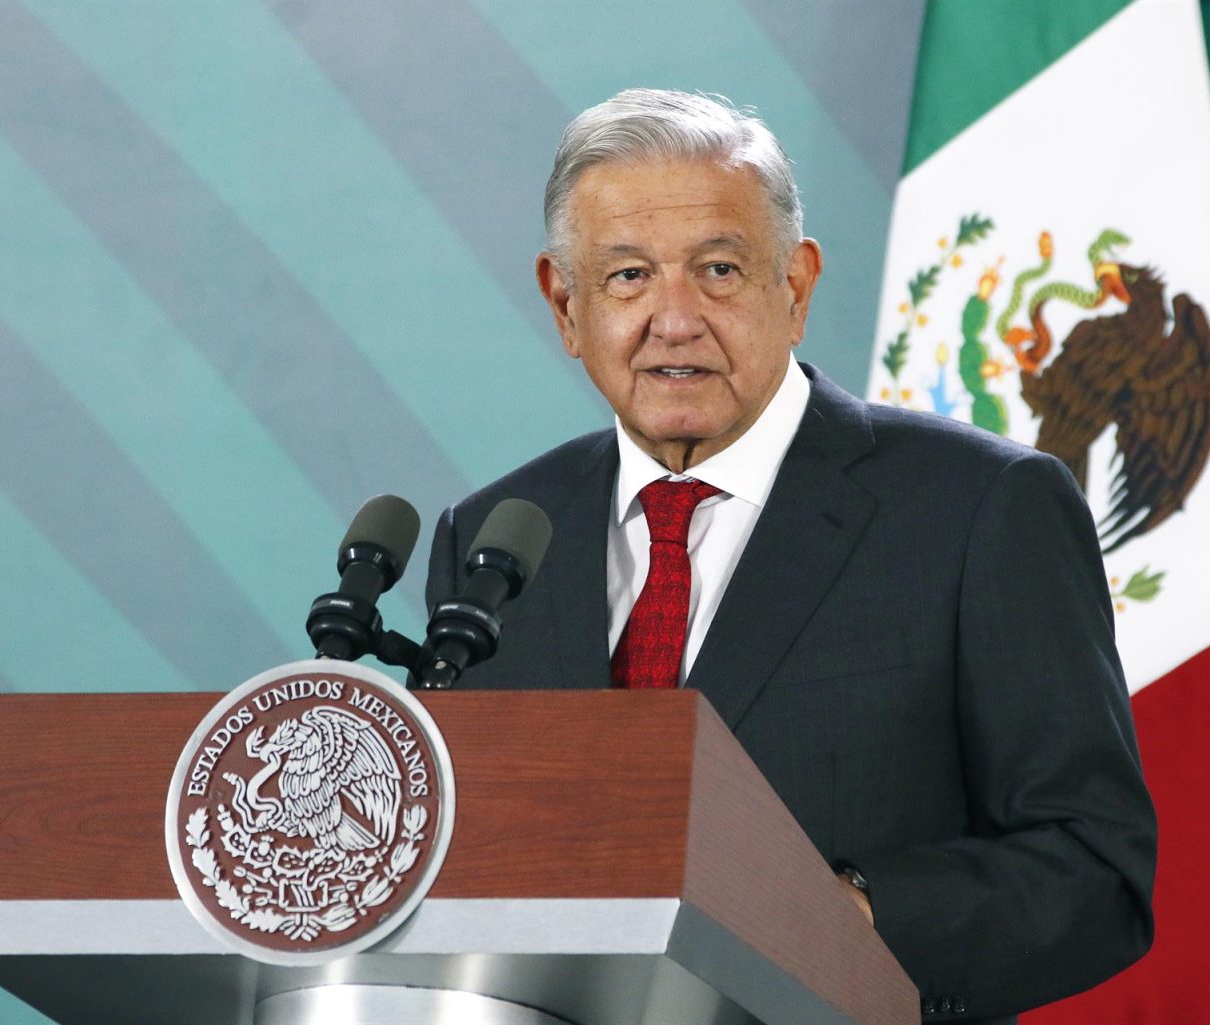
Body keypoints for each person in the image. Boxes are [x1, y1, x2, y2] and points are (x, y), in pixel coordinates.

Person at [425, 88, 1155, 1023]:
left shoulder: (981, 509)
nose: (675, 318)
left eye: (719, 269)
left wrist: (846, 914)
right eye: (628, 277)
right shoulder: (494, 539)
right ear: (567, 306)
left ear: (797, 286)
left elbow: (1095, 869)